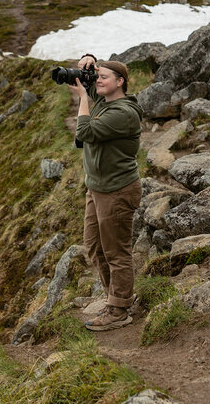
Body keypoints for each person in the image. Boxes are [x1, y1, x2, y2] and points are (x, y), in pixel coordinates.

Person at [69, 54, 143, 331]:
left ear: (120, 82)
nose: (97, 80)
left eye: (104, 78)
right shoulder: (104, 100)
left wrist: (83, 99)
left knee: (116, 252)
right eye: (97, 76)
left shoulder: (123, 113)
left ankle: (119, 310)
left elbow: (85, 132)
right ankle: (116, 299)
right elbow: (94, 79)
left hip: (117, 190)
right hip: (97, 188)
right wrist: (90, 60)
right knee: (95, 247)